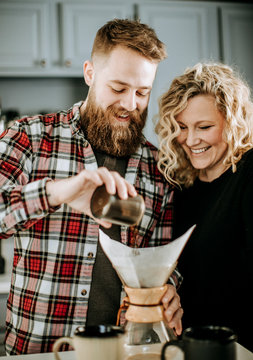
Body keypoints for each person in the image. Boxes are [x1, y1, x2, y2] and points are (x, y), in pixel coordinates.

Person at [0, 19, 183, 355]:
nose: (130, 104)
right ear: (89, 73)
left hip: (122, 350)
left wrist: (167, 288)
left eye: (142, 92)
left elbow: (159, 261)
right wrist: (57, 192)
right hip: (38, 349)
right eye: (118, 88)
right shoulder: (29, 136)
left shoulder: (158, 167)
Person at [155, 62, 253, 351]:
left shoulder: (249, 175)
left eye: (205, 127)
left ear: (233, 121)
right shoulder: (180, 185)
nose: (191, 139)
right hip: (190, 347)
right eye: (182, 127)